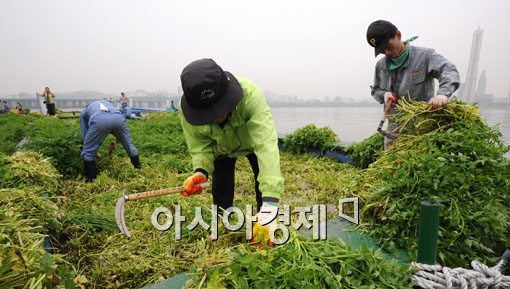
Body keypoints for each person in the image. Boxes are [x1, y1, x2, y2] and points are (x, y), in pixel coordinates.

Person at [179, 58, 284, 245]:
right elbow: (200, 146)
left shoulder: (250, 95)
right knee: (221, 187)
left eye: (219, 110)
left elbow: (266, 146)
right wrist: (201, 171)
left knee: (263, 177)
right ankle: (223, 224)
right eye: (208, 115)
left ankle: (265, 222)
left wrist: (270, 205)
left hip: (251, 143)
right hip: (221, 147)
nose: (216, 117)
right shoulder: (187, 111)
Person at [366, 20, 460, 149]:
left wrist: (443, 94)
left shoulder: (425, 56)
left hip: (421, 126)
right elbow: (375, 90)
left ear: (398, 35)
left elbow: (449, 71)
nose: (387, 53)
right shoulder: (381, 65)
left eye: (388, 47)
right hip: (394, 128)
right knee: (390, 165)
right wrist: (384, 95)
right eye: (382, 50)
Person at [80, 99, 141, 182]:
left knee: (87, 153)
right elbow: (116, 120)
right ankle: (138, 169)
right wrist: (116, 143)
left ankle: (91, 179)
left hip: (99, 120)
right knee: (129, 146)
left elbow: (85, 134)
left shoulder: (84, 111)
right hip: (118, 119)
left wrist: (93, 152)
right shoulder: (109, 105)